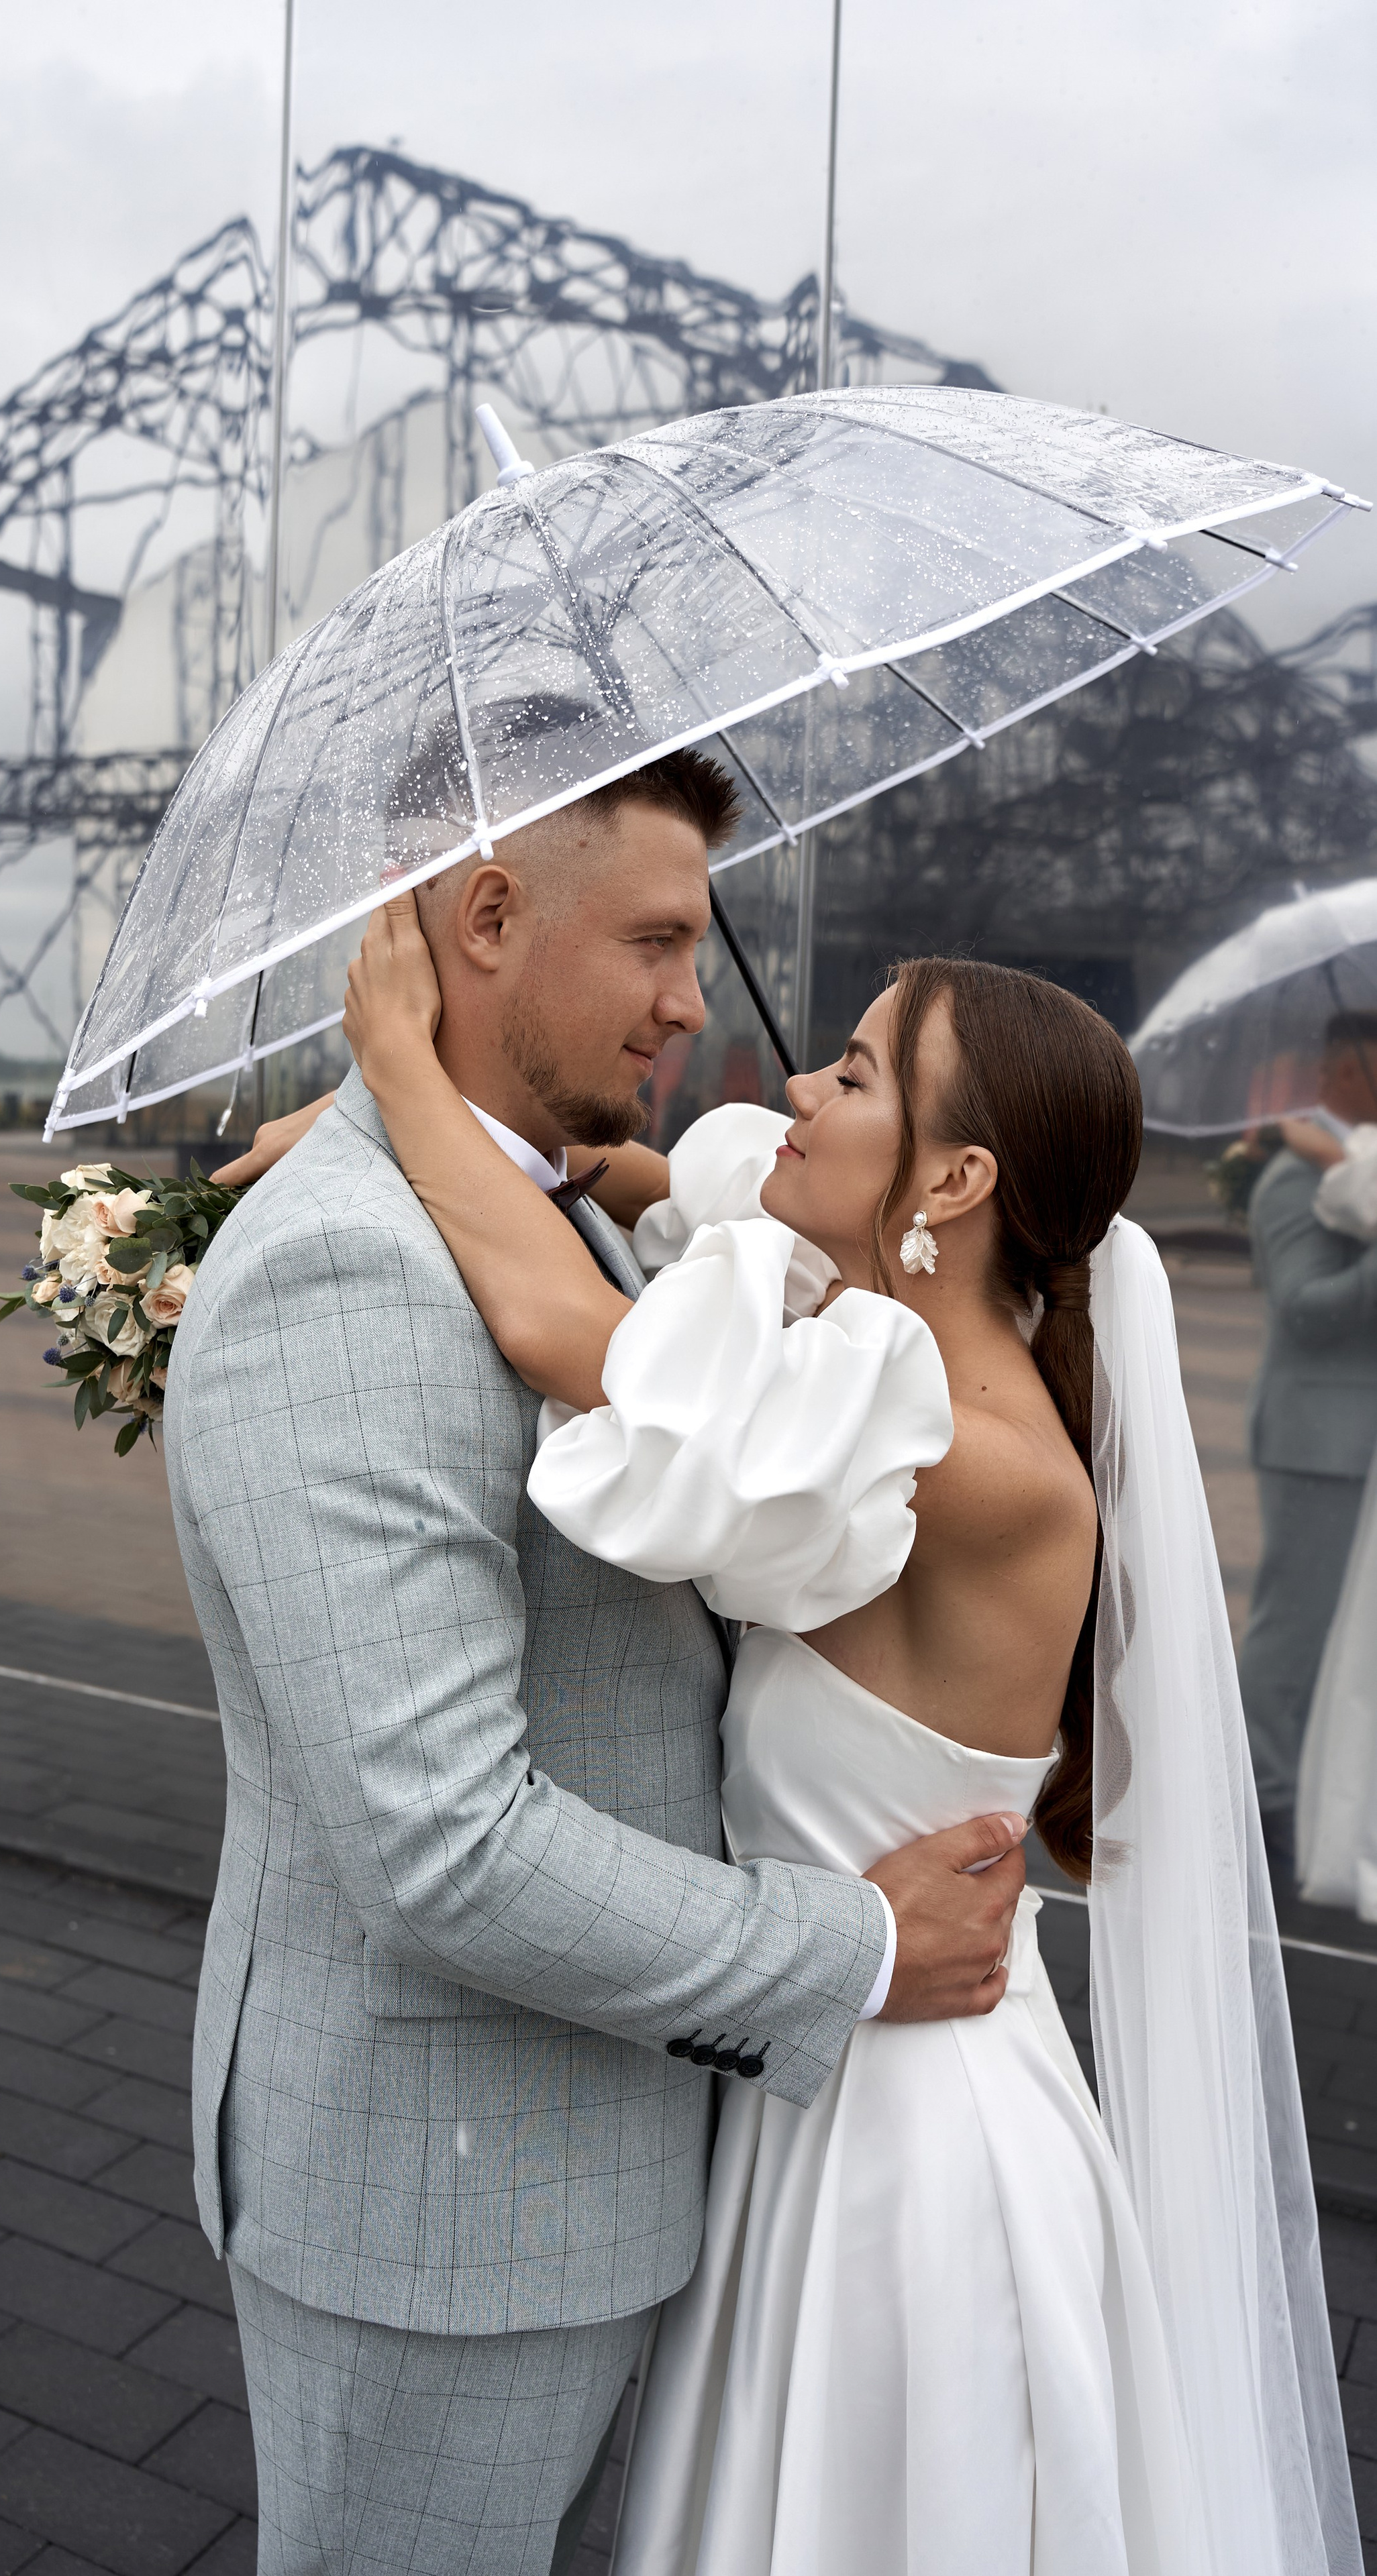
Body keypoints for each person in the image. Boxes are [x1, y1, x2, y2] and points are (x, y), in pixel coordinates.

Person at [335, 906, 1356, 2574]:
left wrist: (395, 1063)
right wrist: (561, 1160)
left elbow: (560, 1332)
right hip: (823, 2070)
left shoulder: (973, 1458)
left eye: (856, 1072)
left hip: (912, 2154)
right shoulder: (900, 1353)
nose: (797, 1086)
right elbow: (706, 1181)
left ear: (953, 1181)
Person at [166, 751, 1029, 2576]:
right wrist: (856, 1948)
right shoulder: (350, 1270)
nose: (691, 1003)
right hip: (444, 2213)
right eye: (652, 940)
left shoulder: (547, 1210)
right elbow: (442, 1845)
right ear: (485, 918)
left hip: (590, 2166)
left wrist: (415, 1100)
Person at [1237, 1010, 1377, 1877]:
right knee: (1295, 1629)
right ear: (1345, 1073)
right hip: (1316, 1440)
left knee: (1336, 1636)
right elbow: (1303, 1307)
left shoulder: (1354, 1168)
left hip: (1352, 1442)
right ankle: (1263, 1798)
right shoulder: (1295, 1180)